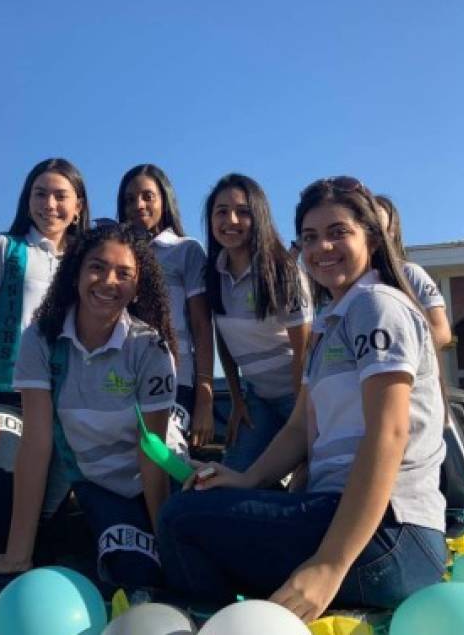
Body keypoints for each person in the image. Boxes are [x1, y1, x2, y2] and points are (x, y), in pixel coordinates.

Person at [158, 176, 448, 620]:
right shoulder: (334, 318)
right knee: (197, 503)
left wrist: (330, 565)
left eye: (338, 233)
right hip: (342, 519)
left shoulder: (377, 305)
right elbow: (298, 427)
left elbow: (389, 433)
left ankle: (219, 625)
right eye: (310, 237)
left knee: (180, 521)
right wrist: (244, 478)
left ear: (371, 236)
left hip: (390, 533)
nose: (322, 248)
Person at [0, 223, 178, 588]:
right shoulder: (40, 339)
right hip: (100, 485)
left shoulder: (150, 348)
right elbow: (37, 443)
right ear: (75, 272)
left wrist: (164, 541)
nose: (108, 281)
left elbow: (152, 454)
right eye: (97, 267)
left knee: (162, 575)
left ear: (138, 286)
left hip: (159, 481)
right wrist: (18, 553)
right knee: (130, 574)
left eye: (124, 274)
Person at [0, 158, 90, 564]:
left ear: (78, 206)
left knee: (45, 516)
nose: (49, 204)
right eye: (40, 193)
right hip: (4, 397)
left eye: (60, 195)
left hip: (60, 402)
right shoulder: (4, 247)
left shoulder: (87, 261)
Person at [203, 173, 311, 473]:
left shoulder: (282, 270)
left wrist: (300, 417)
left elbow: (303, 350)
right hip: (257, 399)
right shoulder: (213, 272)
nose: (231, 220)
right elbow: (223, 339)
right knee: (233, 474)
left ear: (259, 215)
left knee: (308, 483)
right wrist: (237, 399)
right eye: (221, 212)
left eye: (243, 211)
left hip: (298, 396)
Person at [117, 164, 215, 449]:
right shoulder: (116, 253)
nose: (138, 205)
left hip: (177, 379)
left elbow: (201, 325)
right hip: (123, 377)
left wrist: (204, 398)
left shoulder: (186, 250)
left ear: (165, 199)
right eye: (129, 199)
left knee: (164, 456)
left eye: (148, 196)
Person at [374, 195, 452, 348]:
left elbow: (442, 333)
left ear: (393, 230)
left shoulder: (410, 273)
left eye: (379, 223)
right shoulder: (341, 282)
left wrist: (394, 354)